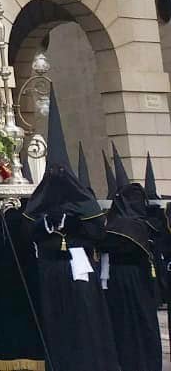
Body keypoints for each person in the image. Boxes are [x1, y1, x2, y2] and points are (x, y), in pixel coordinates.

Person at [21, 96, 120, 371]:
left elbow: (98, 232)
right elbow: (27, 231)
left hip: (80, 265)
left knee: (87, 316)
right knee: (57, 317)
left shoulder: (84, 200)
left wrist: (77, 225)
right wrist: (48, 224)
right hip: (52, 268)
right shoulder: (40, 200)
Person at [102, 147, 160, 371]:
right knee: (140, 322)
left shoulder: (119, 225)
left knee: (130, 323)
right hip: (134, 279)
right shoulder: (142, 223)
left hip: (123, 278)